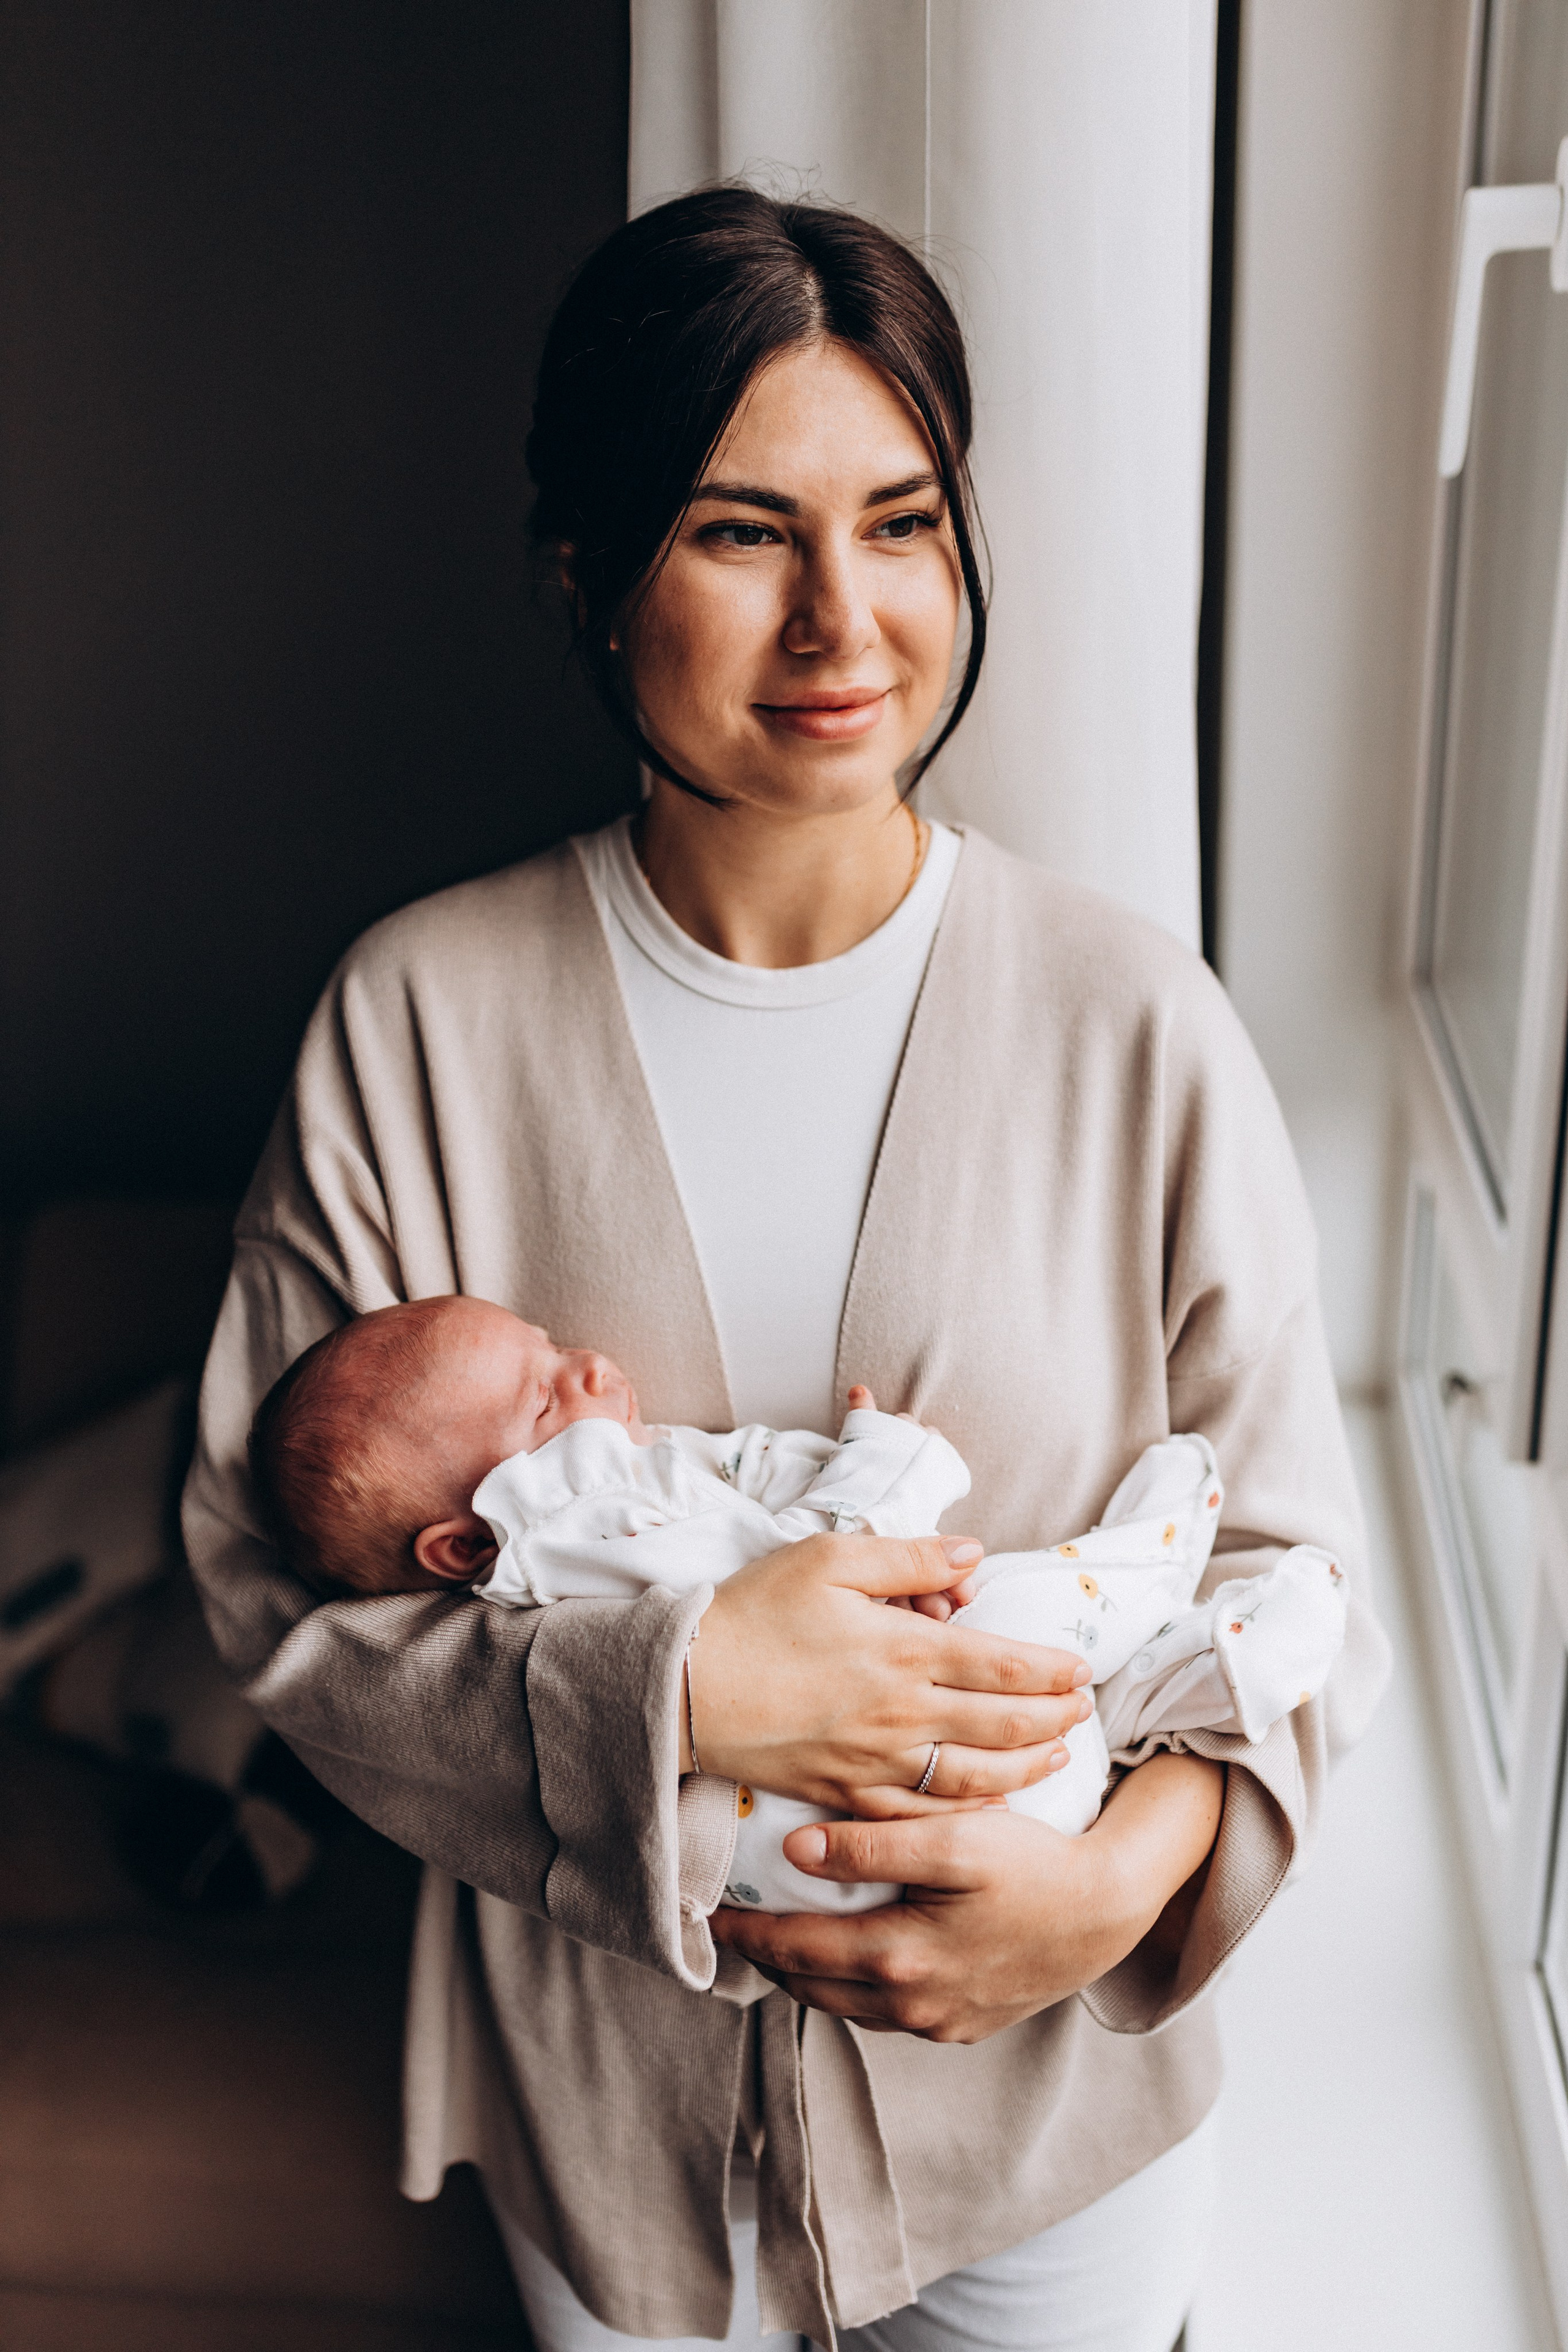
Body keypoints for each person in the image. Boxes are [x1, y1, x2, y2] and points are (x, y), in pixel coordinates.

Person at [183, 187, 1390, 2352]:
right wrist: (674, 1694)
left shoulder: (1137, 1022)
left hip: (1056, 2134)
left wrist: (1104, 1891)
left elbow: (1298, 1572)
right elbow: (282, 1609)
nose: (844, 619)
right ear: (588, 573)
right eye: (742, 533)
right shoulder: (417, 1021)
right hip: (612, 2128)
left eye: (902, 523)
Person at [246, 1294, 1351, 1921]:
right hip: (912, 1802)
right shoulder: (575, 1527)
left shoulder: (561, 1546)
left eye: (552, 1344)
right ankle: (1164, 1571)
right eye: (544, 1396)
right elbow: (811, 1572)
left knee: (1055, 1692)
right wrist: (889, 1462)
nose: (586, 1364)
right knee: (1021, 1604)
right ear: (462, 1544)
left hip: (909, 1851)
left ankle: (1192, 1669)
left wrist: (1117, 1886)